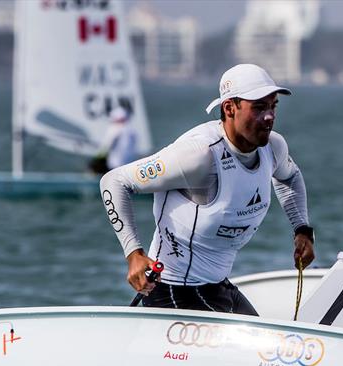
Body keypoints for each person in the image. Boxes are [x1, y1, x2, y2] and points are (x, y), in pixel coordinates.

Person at [99, 63, 315, 315]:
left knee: (270, 351)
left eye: (272, 106)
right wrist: (133, 254)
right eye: (258, 107)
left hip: (218, 287)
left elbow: (290, 178)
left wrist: (302, 230)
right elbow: (114, 181)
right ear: (229, 108)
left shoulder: (274, 148)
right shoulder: (199, 155)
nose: (269, 116)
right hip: (172, 293)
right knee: (257, 352)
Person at [89, 106, 139, 174]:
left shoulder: (115, 129)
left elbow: (105, 147)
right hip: (129, 165)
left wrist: (95, 161)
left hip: (115, 165)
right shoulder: (132, 130)